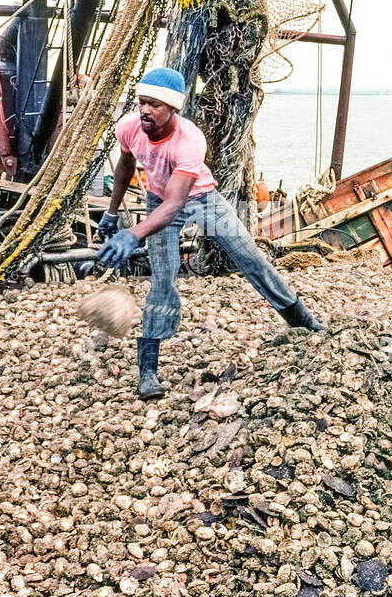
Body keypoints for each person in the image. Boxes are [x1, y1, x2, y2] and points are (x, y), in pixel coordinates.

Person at [97, 66, 326, 399]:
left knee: (250, 258)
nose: (146, 110)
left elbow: (177, 203)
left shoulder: (189, 141)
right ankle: (148, 371)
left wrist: (134, 234)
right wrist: (111, 211)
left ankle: (301, 319)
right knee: (162, 280)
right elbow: (126, 166)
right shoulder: (130, 128)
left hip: (201, 198)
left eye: (155, 105)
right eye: (142, 102)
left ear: (173, 108)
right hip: (158, 197)